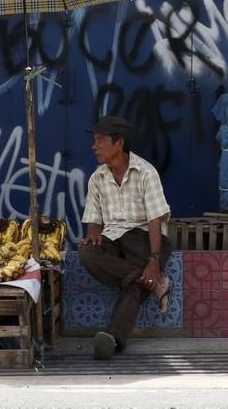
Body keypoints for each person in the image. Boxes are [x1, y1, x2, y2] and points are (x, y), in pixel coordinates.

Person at [78, 115, 172, 360]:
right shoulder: (97, 178)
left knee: (135, 279)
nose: (94, 146)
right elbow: (92, 219)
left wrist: (153, 259)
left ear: (118, 143)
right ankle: (154, 281)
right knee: (87, 251)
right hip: (114, 240)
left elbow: (155, 220)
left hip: (143, 239)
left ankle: (113, 337)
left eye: (100, 141)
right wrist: (93, 233)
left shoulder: (145, 172)